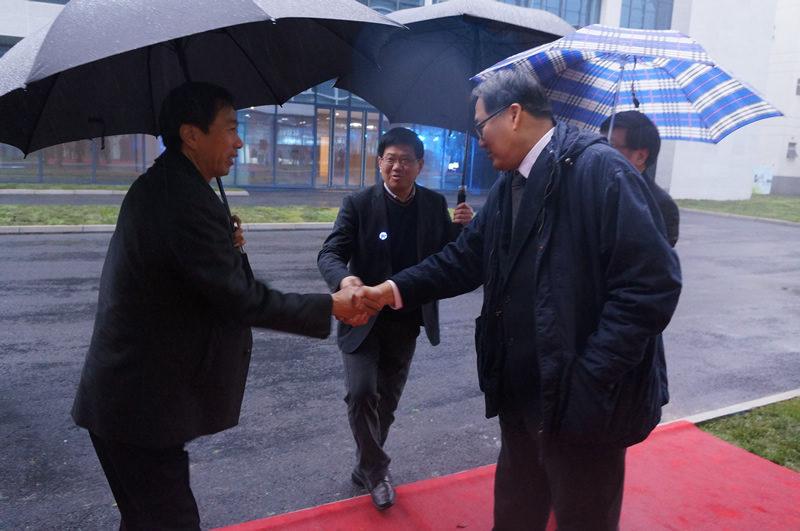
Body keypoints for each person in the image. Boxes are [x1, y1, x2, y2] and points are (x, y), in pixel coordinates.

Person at [360, 69, 682, 530]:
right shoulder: (512, 184)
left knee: (583, 519)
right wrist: (387, 291)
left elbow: (652, 285)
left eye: (481, 125)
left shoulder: (600, 171)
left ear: (513, 115)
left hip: (586, 402)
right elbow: (463, 259)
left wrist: (591, 377)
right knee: (515, 514)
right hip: (522, 393)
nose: (479, 140)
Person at [71, 82, 370, 531]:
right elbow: (241, 299)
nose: (239, 142)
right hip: (138, 409)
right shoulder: (181, 200)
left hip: (127, 403)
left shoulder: (172, 187)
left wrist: (227, 245)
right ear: (191, 135)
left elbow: (207, 281)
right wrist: (332, 305)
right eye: (230, 128)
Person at [317, 127, 473, 511]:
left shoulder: (433, 204)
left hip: (407, 318)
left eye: (405, 160)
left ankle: (366, 466)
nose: (397, 167)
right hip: (361, 315)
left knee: (386, 401)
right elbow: (330, 253)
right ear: (379, 162)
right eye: (390, 159)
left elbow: (449, 256)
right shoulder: (358, 203)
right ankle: (377, 470)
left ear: (420, 165)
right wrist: (345, 280)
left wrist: (464, 229)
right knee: (361, 392)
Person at [600, 110, 680, 247]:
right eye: (600, 142)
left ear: (640, 157)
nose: (600, 150)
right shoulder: (592, 185)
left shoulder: (660, 205)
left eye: (611, 145)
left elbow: (654, 256)